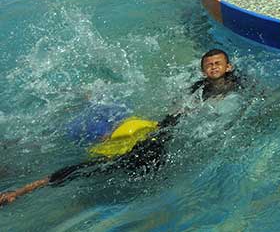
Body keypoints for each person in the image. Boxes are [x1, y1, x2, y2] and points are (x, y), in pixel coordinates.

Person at [0, 49, 241, 207]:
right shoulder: (197, 86)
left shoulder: (236, 84)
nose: (213, 67)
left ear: (229, 67)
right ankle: (23, 189)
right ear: (202, 70)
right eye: (208, 65)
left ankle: (24, 189)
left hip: (158, 139)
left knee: (103, 166)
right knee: (97, 166)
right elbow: (176, 111)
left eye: (218, 63)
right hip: (157, 135)